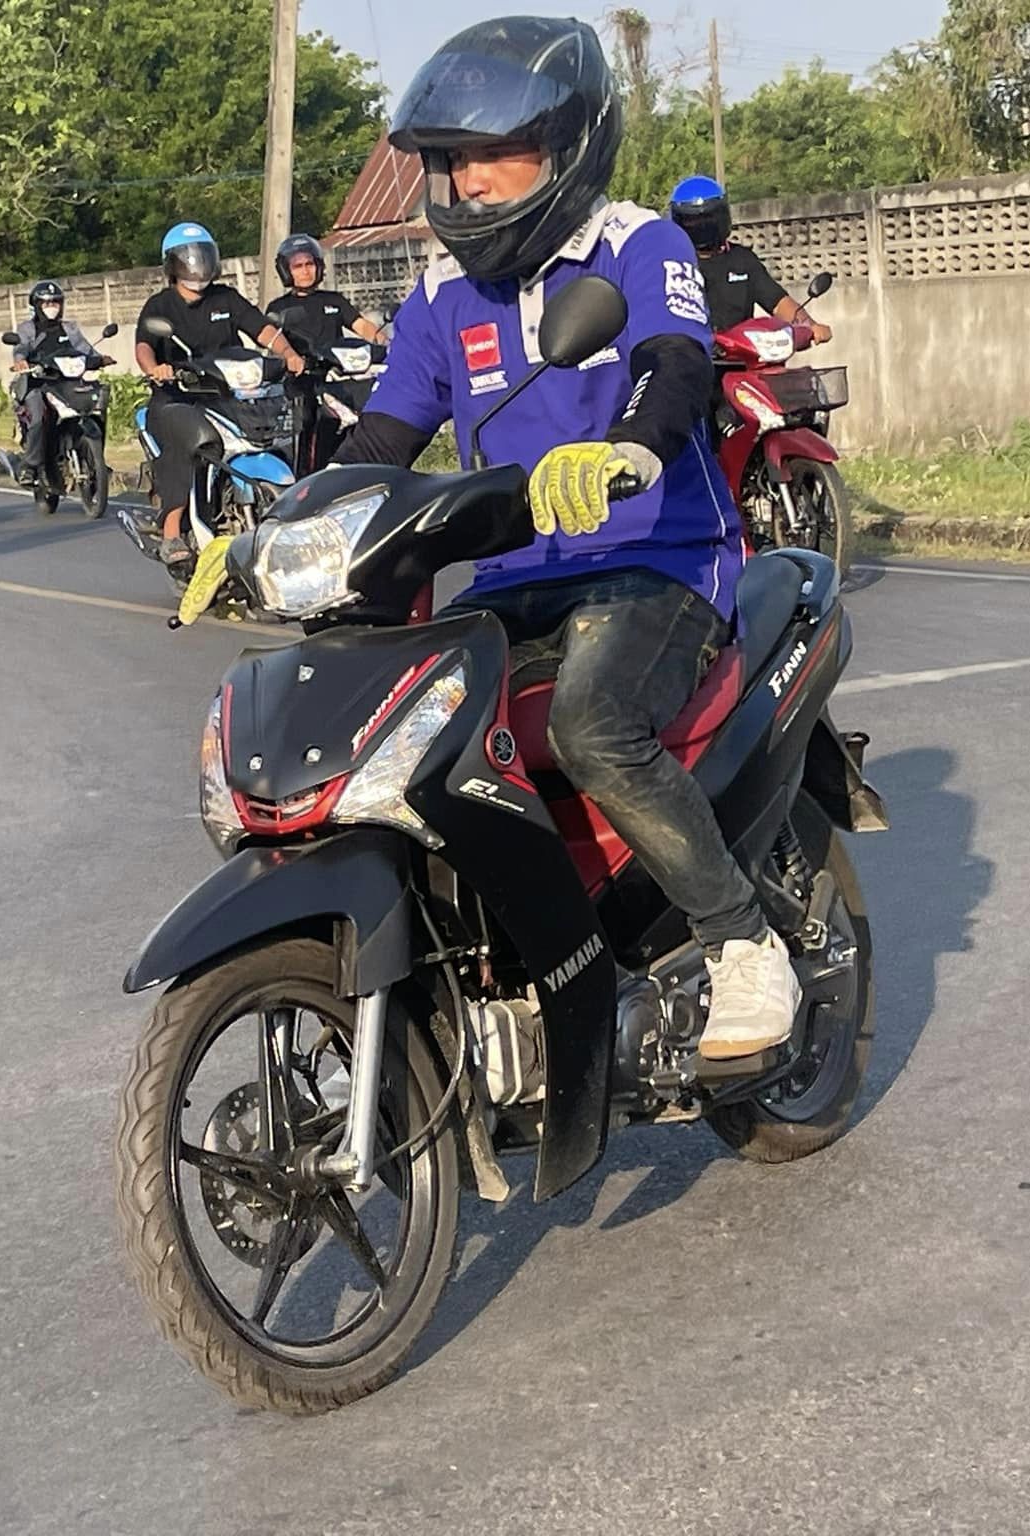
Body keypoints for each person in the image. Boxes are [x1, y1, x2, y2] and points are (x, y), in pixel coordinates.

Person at [278, 16, 798, 1053]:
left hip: (657, 562)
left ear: (566, 146)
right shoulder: (440, 295)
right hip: (515, 579)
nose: (465, 183)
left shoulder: (635, 244)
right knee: (403, 741)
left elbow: (672, 361)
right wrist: (286, 522)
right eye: (448, 160)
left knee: (591, 724)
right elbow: (385, 434)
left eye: (492, 154)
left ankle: (741, 942)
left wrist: (629, 448)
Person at [134, 221, 306, 569]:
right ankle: (171, 532)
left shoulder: (226, 297)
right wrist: (156, 369)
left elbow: (262, 329)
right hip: (178, 397)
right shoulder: (161, 305)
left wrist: (288, 352)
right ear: (172, 264)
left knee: (276, 431)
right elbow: (144, 346)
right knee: (194, 441)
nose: (196, 264)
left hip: (226, 395)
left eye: (202, 256)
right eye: (188, 258)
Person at [265, 233, 388, 471]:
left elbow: (361, 326)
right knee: (309, 424)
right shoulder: (279, 308)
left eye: (309, 264)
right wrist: (291, 359)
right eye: (298, 266)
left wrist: (385, 341)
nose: (305, 271)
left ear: (319, 266)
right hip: (304, 383)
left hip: (339, 379)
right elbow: (273, 343)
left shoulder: (334, 300)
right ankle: (309, 474)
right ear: (285, 270)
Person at [668, 175, 831, 343]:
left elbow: (777, 302)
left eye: (708, 219)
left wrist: (809, 326)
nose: (701, 226)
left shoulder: (742, 260)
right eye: (692, 222)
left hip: (742, 352)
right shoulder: (672, 265)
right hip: (690, 354)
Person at [10, 279, 104, 489]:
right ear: (36, 306)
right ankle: (30, 465)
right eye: (46, 303)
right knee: (38, 416)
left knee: (95, 406)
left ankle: (95, 461)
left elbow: (84, 348)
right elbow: (20, 348)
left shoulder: (69, 328)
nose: (52, 307)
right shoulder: (27, 328)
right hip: (37, 383)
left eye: (55, 302)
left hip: (65, 383)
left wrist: (100, 358)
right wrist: (20, 361)